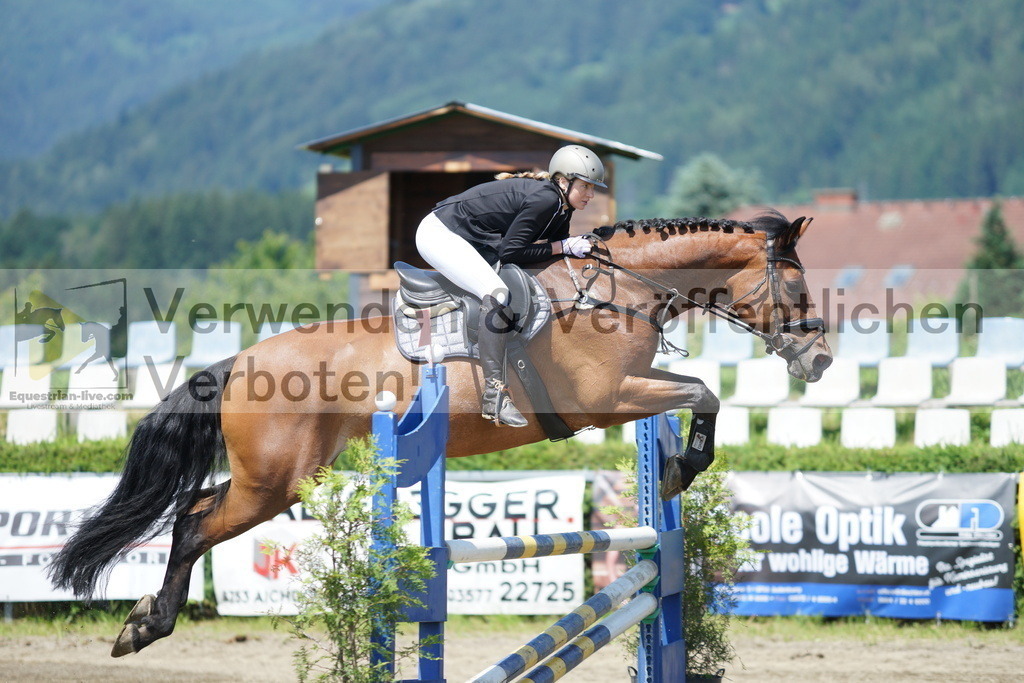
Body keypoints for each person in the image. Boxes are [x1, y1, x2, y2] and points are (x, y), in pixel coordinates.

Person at [415, 144, 606, 427]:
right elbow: (512, 252)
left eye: (594, 188)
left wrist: (567, 247)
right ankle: (494, 394)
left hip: (469, 238)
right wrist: (564, 245)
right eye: (586, 187)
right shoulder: (546, 201)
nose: (591, 195)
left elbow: (545, 255)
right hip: (440, 234)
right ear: (564, 181)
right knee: (496, 292)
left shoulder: (562, 207)